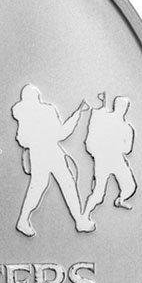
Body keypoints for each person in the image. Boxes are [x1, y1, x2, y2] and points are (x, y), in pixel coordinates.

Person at [12, 85, 92, 236]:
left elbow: (22, 139)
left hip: (38, 155)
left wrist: (77, 114)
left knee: (45, 187)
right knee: (64, 185)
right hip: (50, 153)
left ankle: (24, 220)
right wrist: (77, 114)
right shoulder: (47, 111)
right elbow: (61, 134)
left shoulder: (22, 115)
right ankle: (79, 221)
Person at [82, 93, 136, 224]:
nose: (122, 108)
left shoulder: (126, 127)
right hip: (103, 160)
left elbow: (128, 149)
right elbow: (93, 137)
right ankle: (84, 216)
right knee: (98, 193)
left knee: (130, 186)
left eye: (124, 106)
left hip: (116, 160)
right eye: (121, 106)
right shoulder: (104, 119)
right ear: (116, 106)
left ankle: (121, 200)